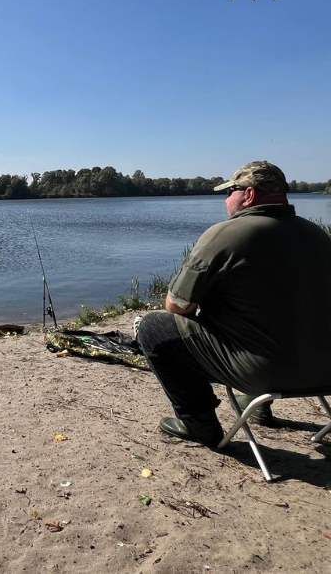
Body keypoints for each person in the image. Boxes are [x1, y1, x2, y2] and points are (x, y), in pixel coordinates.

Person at [135, 161, 331, 445]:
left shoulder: (226, 234)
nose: (227, 199)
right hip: (325, 370)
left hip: (267, 372)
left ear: (249, 195)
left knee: (154, 326)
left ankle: (197, 423)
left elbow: (176, 307)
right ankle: (258, 407)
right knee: (269, 316)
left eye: (231, 191)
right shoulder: (318, 236)